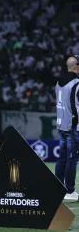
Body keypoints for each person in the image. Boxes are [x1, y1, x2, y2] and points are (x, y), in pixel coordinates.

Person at [55, 56, 79, 200]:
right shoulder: (76, 83)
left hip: (61, 125)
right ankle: (70, 191)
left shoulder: (59, 83)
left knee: (62, 158)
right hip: (73, 127)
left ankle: (57, 188)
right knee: (72, 159)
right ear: (77, 66)